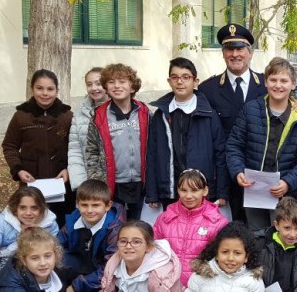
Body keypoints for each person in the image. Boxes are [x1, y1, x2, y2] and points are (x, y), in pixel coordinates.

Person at [225, 57, 297, 230]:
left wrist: (288, 182)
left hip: (285, 194)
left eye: (284, 81)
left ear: (293, 85)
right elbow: (234, 145)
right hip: (254, 190)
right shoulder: (250, 110)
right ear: (266, 82)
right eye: (273, 80)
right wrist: (237, 171)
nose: (278, 85)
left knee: (283, 236)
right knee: (257, 236)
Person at [198, 23, 268, 219]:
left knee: (260, 230)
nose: (235, 54)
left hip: (261, 173)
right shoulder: (208, 90)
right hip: (224, 176)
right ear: (223, 53)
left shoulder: (267, 85)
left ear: (250, 53)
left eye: (240, 49)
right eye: (230, 49)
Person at [146, 57, 229, 216]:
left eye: (186, 77)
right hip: (171, 189)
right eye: (175, 77)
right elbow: (152, 154)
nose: (180, 82)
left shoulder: (209, 114)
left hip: (201, 190)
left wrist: (222, 192)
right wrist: (152, 192)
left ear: (195, 81)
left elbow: (220, 154)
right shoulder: (160, 115)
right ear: (169, 81)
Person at [2, 69, 74, 224]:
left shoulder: (67, 116)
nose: (45, 93)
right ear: (32, 89)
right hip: (32, 181)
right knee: (32, 222)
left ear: (57, 90)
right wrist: (18, 169)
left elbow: (75, 147)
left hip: (61, 182)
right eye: (39, 88)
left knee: (60, 222)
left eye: (50, 89)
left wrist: (69, 168)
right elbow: (10, 146)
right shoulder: (21, 116)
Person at [85, 63, 150, 221]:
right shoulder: (99, 117)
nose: (117, 86)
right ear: (106, 87)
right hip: (113, 185)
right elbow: (92, 152)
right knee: (115, 226)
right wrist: (98, 183)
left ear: (132, 87)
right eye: (111, 82)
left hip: (141, 184)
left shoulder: (145, 113)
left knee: (137, 226)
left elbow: (153, 147)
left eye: (122, 81)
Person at [0, 187, 60, 292]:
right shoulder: (3, 221)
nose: (28, 213)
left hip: (35, 272)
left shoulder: (50, 225)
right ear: (15, 209)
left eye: (34, 208)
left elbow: (52, 252)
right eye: (23, 208)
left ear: (42, 209)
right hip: (2, 270)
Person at [153, 168, 229, 287]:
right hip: (167, 284)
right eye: (183, 190)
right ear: (178, 190)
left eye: (194, 190)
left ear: (205, 191)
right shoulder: (164, 218)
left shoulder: (218, 222)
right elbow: (154, 251)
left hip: (202, 286)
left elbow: (223, 260)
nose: (188, 196)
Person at [56, 179, 125, 292]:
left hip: (106, 267)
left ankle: (93, 291)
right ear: (77, 204)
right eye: (84, 205)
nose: (89, 210)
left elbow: (110, 268)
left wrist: (76, 286)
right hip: (84, 260)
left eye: (95, 205)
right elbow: (56, 244)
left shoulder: (115, 228)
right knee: (53, 261)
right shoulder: (75, 217)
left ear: (108, 206)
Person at [68, 67, 108, 191]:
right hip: (89, 183)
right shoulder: (80, 113)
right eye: (89, 84)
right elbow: (75, 150)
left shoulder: (118, 110)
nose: (94, 88)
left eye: (98, 83)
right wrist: (80, 183)